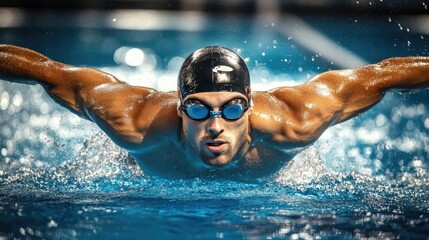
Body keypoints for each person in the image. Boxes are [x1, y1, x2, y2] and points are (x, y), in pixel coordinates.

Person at [0, 44, 428, 181]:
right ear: (181, 108)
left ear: (251, 104)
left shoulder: (296, 121)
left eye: (232, 108)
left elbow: (381, 75)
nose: (216, 125)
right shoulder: (135, 122)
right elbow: (49, 72)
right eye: (199, 109)